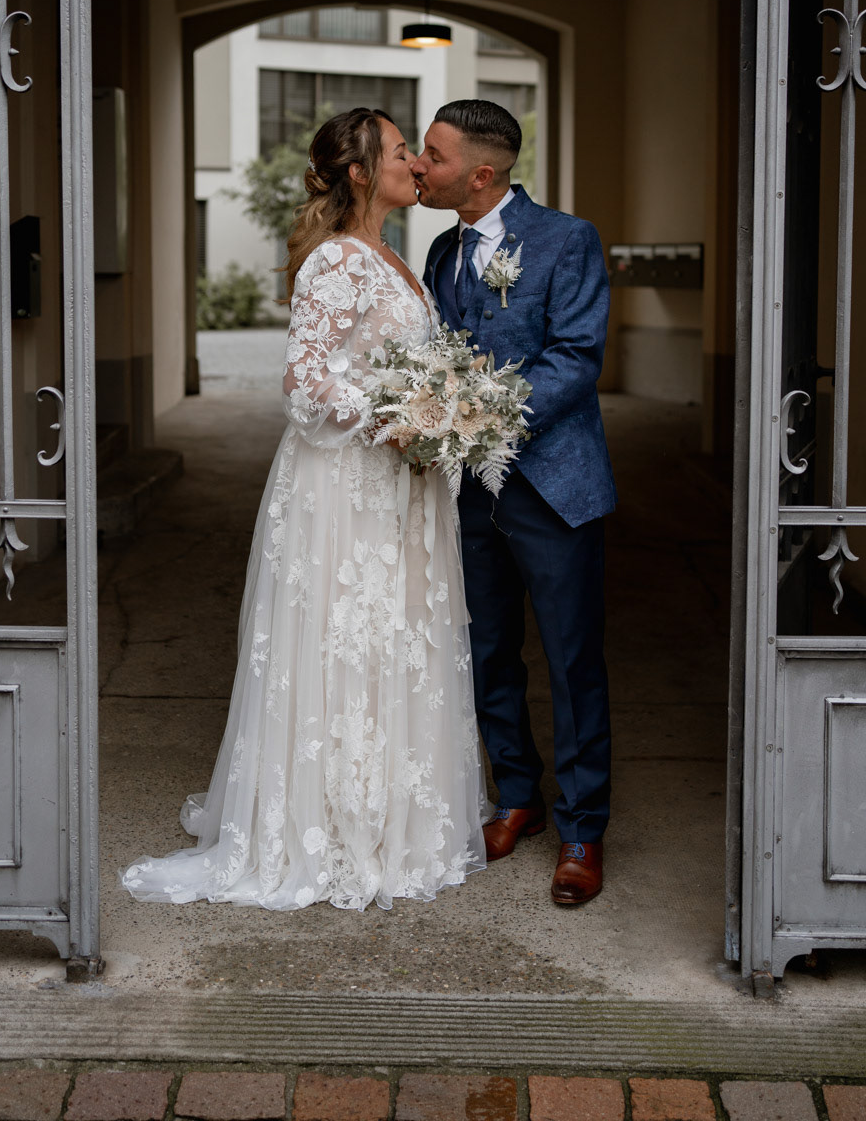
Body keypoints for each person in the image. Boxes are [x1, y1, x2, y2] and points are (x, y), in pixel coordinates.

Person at [120, 107, 487, 911]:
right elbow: (304, 380)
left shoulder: (393, 257)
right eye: (401, 151)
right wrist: (393, 418)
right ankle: (327, 822)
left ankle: (387, 815)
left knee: (393, 639)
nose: (414, 164)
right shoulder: (335, 262)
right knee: (344, 637)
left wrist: (443, 413)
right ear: (360, 172)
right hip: (346, 489)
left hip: (397, 487)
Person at [411, 99, 616, 906]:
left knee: (571, 658)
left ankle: (582, 828)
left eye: (433, 154)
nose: (419, 165)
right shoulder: (441, 250)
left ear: (481, 173)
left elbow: (576, 357)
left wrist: (482, 414)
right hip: (467, 489)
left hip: (553, 487)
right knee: (487, 648)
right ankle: (518, 797)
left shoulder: (568, 240)